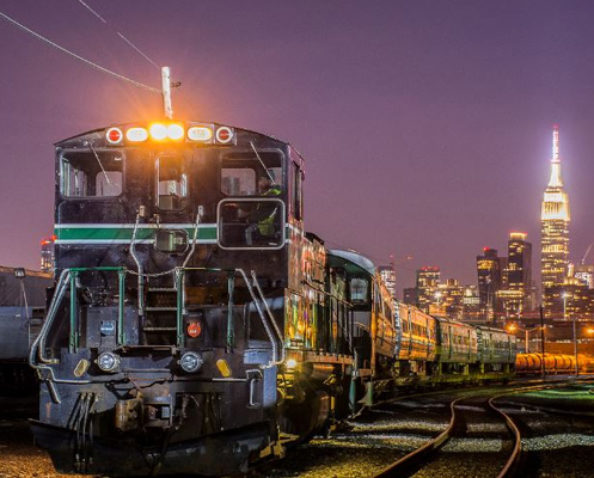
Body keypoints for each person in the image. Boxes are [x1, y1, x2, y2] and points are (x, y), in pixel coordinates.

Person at [245, 176, 281, 245]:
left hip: (266, 226)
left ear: (269, 181)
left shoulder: (274, 193)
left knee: (247, 231)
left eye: (263, 180)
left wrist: (250, 219)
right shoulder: (261, 195)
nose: (260, 182)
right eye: (259, 180)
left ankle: (250, 251)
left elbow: (261, 213)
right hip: (259, 224)